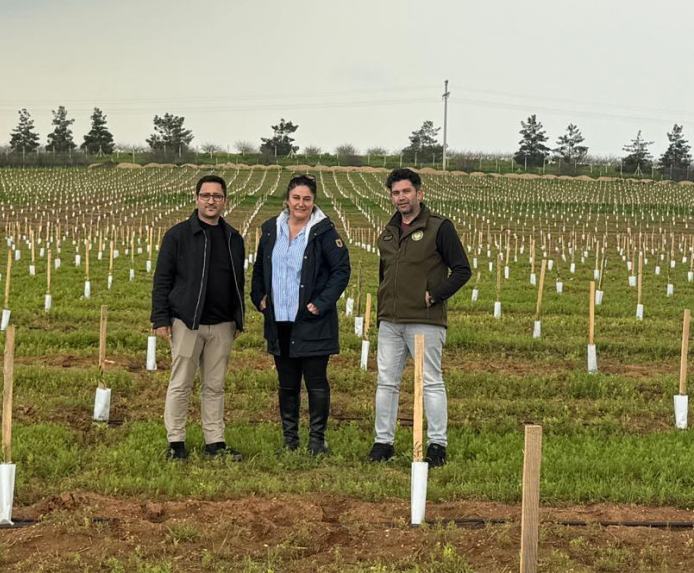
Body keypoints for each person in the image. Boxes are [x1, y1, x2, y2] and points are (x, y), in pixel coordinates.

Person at [369, 167, 471, 467]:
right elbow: (385, 274)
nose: (401, 197)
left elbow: (462, 270)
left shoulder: (440, 228)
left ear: (419, 193)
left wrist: (435, 294)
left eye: (406, 191)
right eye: (396, 193)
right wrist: (382, 307)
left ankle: (437, 444)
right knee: (386, 382)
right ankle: (382, 442)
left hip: (425, 321)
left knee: (430, 382)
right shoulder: (387, 232)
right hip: (390, 321)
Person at [251, 174, 351, 455]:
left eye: (307, 198)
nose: (301, 203)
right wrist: (258, 298)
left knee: (316, 381)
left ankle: (317, 440)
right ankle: (290, 439)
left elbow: (341, 270)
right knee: (287, 383)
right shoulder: (272, 228)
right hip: (279, 318)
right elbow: (260, 267)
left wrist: (320, 303)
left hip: (311, 320)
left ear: (314, 201)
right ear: (287, 199)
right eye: (296, 197)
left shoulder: (324, 231)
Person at [151, 174, 246, 460]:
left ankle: (215, 441)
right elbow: (162, 279)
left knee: (215, 386)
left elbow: (237, 281)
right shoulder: (178, 235)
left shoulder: (233, 238)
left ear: (224, 200)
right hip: (186, 322)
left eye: (217, 196)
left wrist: (238, 318)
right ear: (196, 198)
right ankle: (176, 442)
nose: (211, 201)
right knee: (181, 383)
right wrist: (161, 318)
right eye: (206, 195)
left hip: (222, 324)